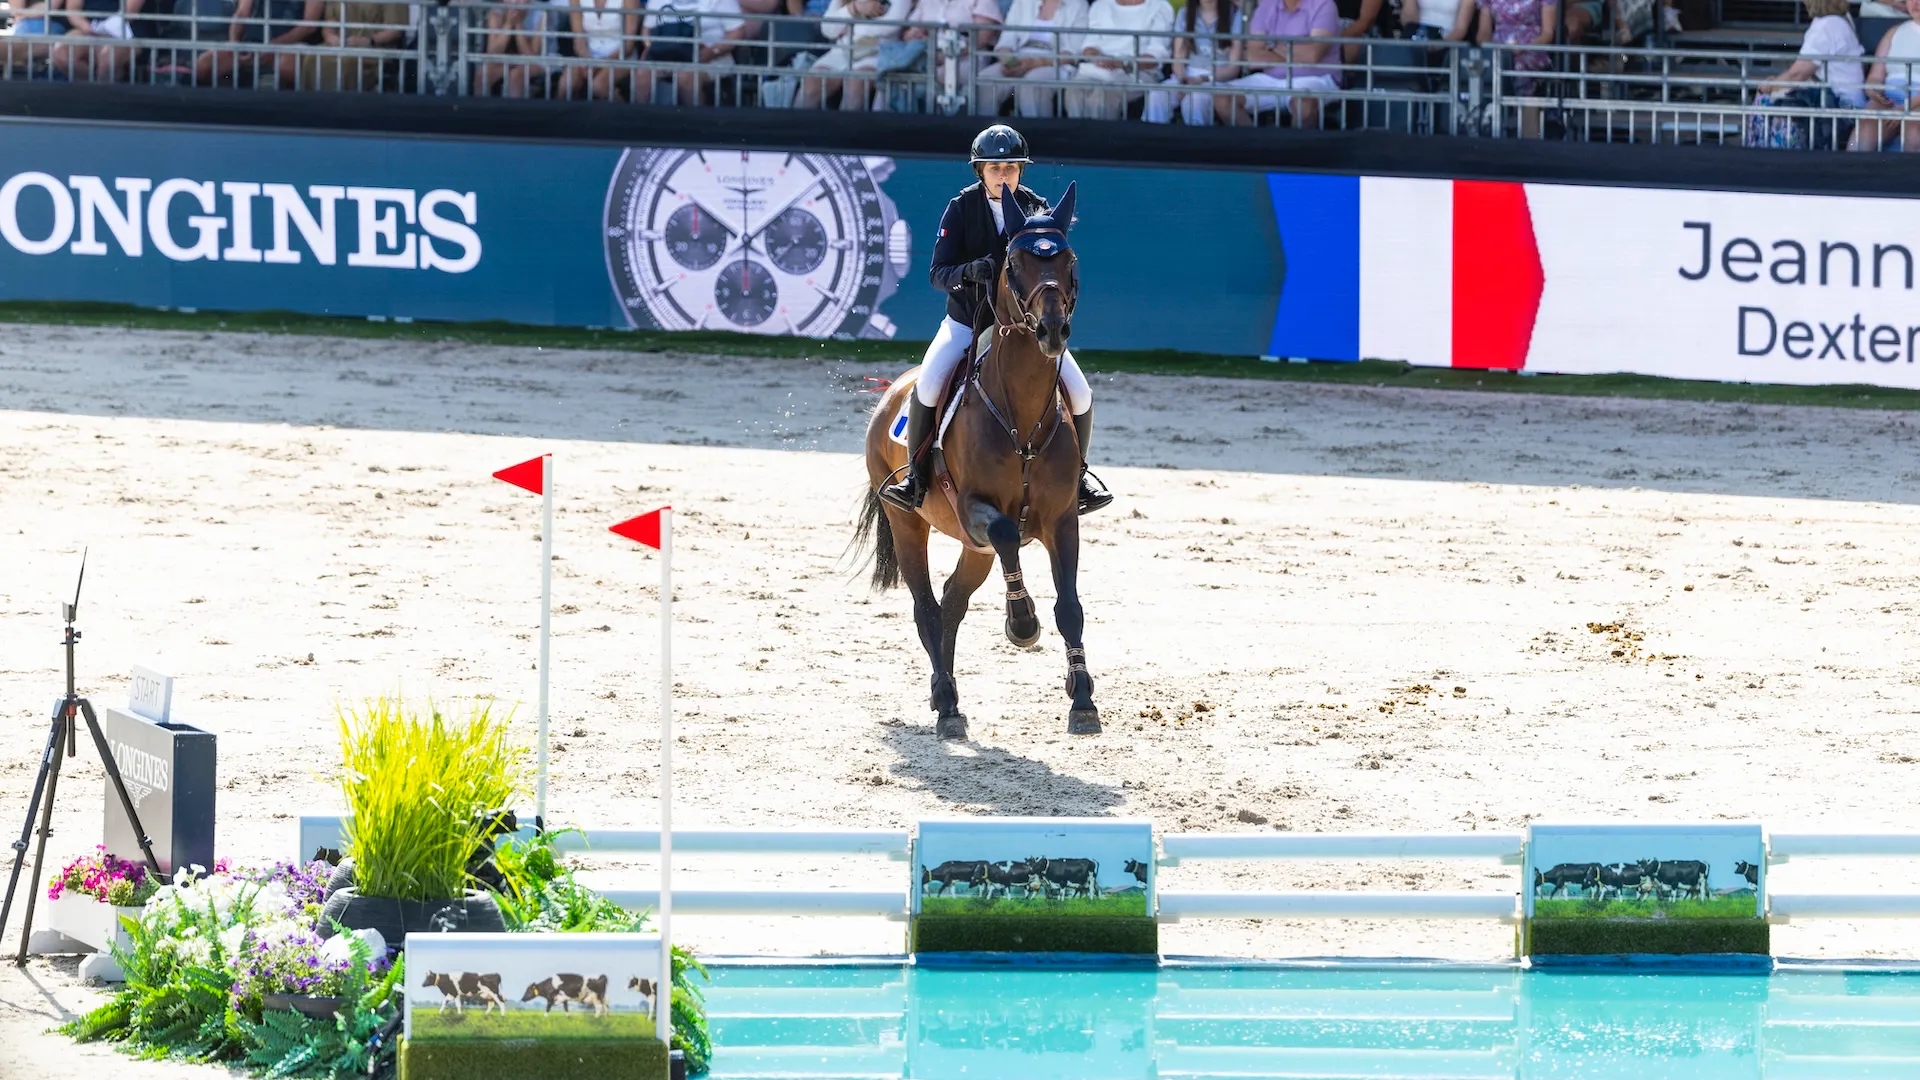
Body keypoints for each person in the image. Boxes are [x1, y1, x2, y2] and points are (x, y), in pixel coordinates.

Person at [880, 125, 1112, 517]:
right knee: (930, 384)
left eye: (1011, 167)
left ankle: (1079, 477)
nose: (1003, 174)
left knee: (1082, 392)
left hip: (1024, 329)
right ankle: (915, 477)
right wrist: (972, 270)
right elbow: (938, 273)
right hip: (967, 322)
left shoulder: (1039, 210)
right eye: (994, 168)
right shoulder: (961, 207)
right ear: (980, 171)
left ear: (1022, 171)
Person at [1215, 0, 1339, 128]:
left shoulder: (1324, 4)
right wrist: (1296, 52)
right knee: (1222, 98)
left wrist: (1271, 47)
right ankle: (1256, 144)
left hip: (1315, 78)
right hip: (1271, 79)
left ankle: (1294, 148)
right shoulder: (1267, 5)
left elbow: (1313, 54)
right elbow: (1253, 57)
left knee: (1303, 104)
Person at [1063, 0, 1174, 120]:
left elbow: (1156, 53)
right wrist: (1099, 58)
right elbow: (1089, 45)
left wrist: (1123, 63)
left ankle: (1104, 137)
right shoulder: (1101, 5)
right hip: (1098, 69)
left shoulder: (1160, 7)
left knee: (1102, 96)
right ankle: (1078, 136)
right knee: (1073, 91)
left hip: (1137, 71)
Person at [977, 0, 1088, 116]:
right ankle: (987, 132)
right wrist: (1009, 62)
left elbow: (1072, 53)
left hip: (1055, 62)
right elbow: (1006, 42)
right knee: (986, 79)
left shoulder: (1078, 5)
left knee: (1032, 84)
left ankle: (1036, 133)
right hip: (1019, 56)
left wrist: (1033, 63)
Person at [1143, 0, 1238, 124]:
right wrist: (1183, 80)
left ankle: (1196, 142)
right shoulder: (1185, 13)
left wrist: (1202, 80)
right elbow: (1178, 57)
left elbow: (1233, 68)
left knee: (1194, 100)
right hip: (1187, 76)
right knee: (1157, 96)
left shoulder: (1235, 14)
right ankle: (1152, 139)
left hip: (1216, 79)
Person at [797, 0, 905, 110]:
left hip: (876, 51)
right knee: (811, 81)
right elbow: (827, 29)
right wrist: (853, 8)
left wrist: (850, 28)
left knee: (855, 83)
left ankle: (845, 126)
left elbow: (892, 26)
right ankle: (793, 125)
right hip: (841, 51)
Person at [1856, 0, 1915, 150]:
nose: (1915, 3)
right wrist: (1874, 91)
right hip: (1890, 96)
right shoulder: (1893, 32)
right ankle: (1852, 169)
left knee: (1914, 133)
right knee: (1864, 131)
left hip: (1918, 100)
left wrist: (1904, 109)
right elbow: (1875, 76)